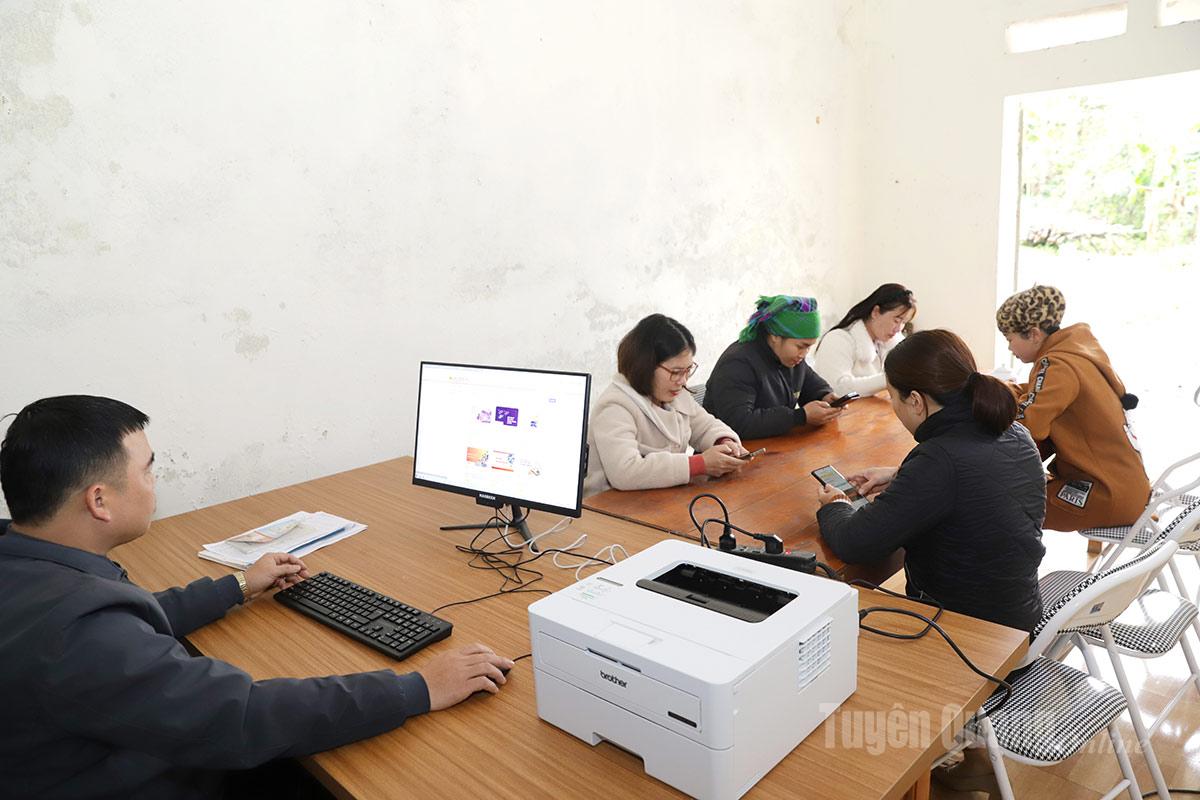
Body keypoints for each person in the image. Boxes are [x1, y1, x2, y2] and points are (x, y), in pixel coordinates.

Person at [0, 395, 513, 800]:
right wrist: (418, 688)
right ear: (99, 500)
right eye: (148, 470)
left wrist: (238, 585)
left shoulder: (29, 566)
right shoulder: (80, 634)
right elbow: (244, 716)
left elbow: (129, 620)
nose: (155, 483)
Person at [815, 330, 1047, 633]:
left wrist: (835, 504)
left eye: (892, 397)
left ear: (915, 401)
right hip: (1018, 614)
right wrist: (900, 474)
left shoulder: (939, 460)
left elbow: (856, 543)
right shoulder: (1015, 432)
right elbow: (971, 475)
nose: (894, 406)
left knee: (840, 634)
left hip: (970, 634)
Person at [997, 285, 1151, 531]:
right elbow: (1037, 392)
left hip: (1104, 495)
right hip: (1128, 489)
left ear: (1034, 334)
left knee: (996, 505)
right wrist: (1004, 390)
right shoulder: (1077, 353)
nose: (1009, 348)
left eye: (1009, 339)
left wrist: (991, 412)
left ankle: (1013, 560)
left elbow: (1028, 426)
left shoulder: (1056, 365)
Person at [585, 314, 747, 495]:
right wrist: (699, 464)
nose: (683, 380)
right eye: (676, 372)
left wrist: (725, 442)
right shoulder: (615, 406)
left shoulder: (675, 394)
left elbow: (705, 425)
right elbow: (625, 471)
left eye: (688, 370)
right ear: (645, 366)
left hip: (662, 498)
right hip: (611, 506)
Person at [703, 295, 842, 439]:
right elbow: (739, 423)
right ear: (775, 336)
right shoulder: (738, 363)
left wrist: (826, 397)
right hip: (734, 449)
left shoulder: (792, 358)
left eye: (809, 347)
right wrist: (800, 416)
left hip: (774, 443)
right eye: (801, 346)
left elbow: (811, 386)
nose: (804, 354)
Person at [809, 283, 915, 396]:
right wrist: (891, 378)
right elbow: (838, 389)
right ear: (875, 312)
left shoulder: (888, 344)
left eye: (904, 322)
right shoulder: (837, 339)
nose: (898, 329)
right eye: (896, 320)